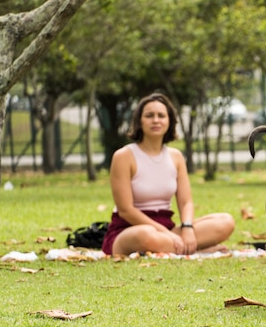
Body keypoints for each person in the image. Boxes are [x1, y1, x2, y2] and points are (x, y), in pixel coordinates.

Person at [101, 92, 235, 256]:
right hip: (130, 231)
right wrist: (166, 233)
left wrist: (187, 228)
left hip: (169, 230)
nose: (156, 120)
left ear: (169, 121)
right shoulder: (123, 156)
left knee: (225, 222)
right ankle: (195, 250)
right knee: (146, 235)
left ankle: (180, 247)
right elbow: (126, 210)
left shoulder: (176, 156)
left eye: (161, 116)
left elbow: (186, 202)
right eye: (149, 115)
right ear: (139, 121)